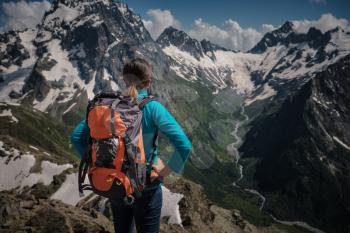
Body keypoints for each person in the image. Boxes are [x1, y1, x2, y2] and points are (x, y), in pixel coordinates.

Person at [70, 57, 192, 233]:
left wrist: (96, 164)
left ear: (123, 79)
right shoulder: (152, 108)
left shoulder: (107, 105)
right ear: (148, 81)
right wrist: (163, 171)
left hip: (115, 180)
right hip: (146, 185)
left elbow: (76, 137)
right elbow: (184, 145)